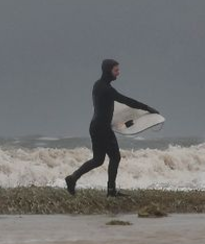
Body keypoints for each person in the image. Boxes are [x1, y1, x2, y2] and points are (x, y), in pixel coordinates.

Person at [65, 59, 157, 197]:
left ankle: (73, 178)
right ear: (108, 70)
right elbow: (126, 100)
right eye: (116, 70)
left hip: (95, 126)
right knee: (115, 157)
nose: (118, 73)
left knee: (98, 160)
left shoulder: (97, 85)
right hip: (103, 129)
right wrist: (147, 108)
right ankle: (111, 191)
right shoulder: (106, 89)